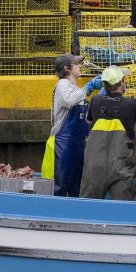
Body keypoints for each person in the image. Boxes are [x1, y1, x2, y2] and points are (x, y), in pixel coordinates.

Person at [80, 64, 136, 200]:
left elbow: (88, 121)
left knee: (88, 207)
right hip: (120, 168)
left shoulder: (95, 100)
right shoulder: (132, 104)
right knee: (124, 208)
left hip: (94, 166)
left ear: (104, 84)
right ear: (122, 82)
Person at [41, 53, 102, 197]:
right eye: (76, 64)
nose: (80, 66)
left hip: (77, 144)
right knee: (60, 185)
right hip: (63, 144)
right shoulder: (63, 85)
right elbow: (69, 101)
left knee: (77, 185)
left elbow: (86, 119)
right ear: (67, 68)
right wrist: (89, 87)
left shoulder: (75, 88)